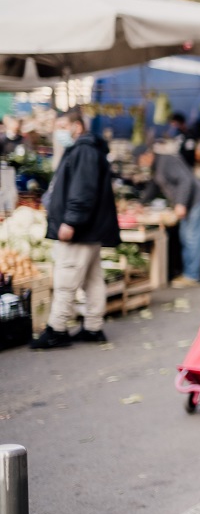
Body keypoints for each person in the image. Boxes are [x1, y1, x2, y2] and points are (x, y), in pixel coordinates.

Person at [32, 109, 120, 349]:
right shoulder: (88, 150)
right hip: (89, 230)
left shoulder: (83, 151)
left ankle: (56, 329)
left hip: (80, 230)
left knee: (66, 278)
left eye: (62, 125)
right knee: (92, 279)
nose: (58, 130)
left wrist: (71, 221)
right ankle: (93, 327)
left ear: (77, 126)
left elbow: (83, 191)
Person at [134, 143, 200, 289]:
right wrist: (141, 203)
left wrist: (181, 203)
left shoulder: (166, 161)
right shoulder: (157, 166)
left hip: (196, 200)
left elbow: (185, 180)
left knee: (192, 237)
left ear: (147, 154)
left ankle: (193, 276)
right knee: (185, 236)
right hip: (189, 203)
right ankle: (190, 273)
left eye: (141, 160)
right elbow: (154, 186)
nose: (142, 164)